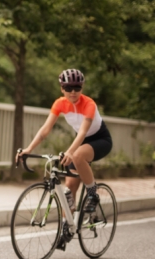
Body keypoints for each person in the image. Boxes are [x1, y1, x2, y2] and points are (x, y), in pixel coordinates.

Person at [16, 69, 112, 247]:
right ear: (62, 88)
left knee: (76, 155)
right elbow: (45, 130)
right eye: (69, 87)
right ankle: (68, 227)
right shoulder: (60, 104)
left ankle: (93, 194)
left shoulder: (89, 104)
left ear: (82, 87)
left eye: (77, 87)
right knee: (69, 190)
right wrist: (29, 149)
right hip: (79, 143)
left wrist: (69, 152)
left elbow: (83, 132)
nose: (73, 91)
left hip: (99, 140)